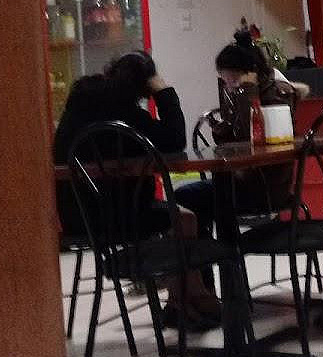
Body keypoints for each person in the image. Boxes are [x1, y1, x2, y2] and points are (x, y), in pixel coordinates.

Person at [53, 50, 220, 328]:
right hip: (123, 216)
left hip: (76, 216)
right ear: (143, 88)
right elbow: (175, 140)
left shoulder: (79, 107)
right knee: (186, 219)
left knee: (178, 216)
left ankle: (188, 300)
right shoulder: (128, 115)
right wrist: (164, 92)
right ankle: (184, 300)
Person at [175, 33, 307, 235]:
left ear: (249, 73)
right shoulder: (244, 93)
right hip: (243, 180)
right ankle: (214, 252)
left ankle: (223, 251)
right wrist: (221, 128)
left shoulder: (275, 94)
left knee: (192, 197)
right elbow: (234, 140)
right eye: (224, 77)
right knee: (187, 195)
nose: (226, 83)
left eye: (230, 77)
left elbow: (253, 139)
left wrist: (247, 91)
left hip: (266, 187)